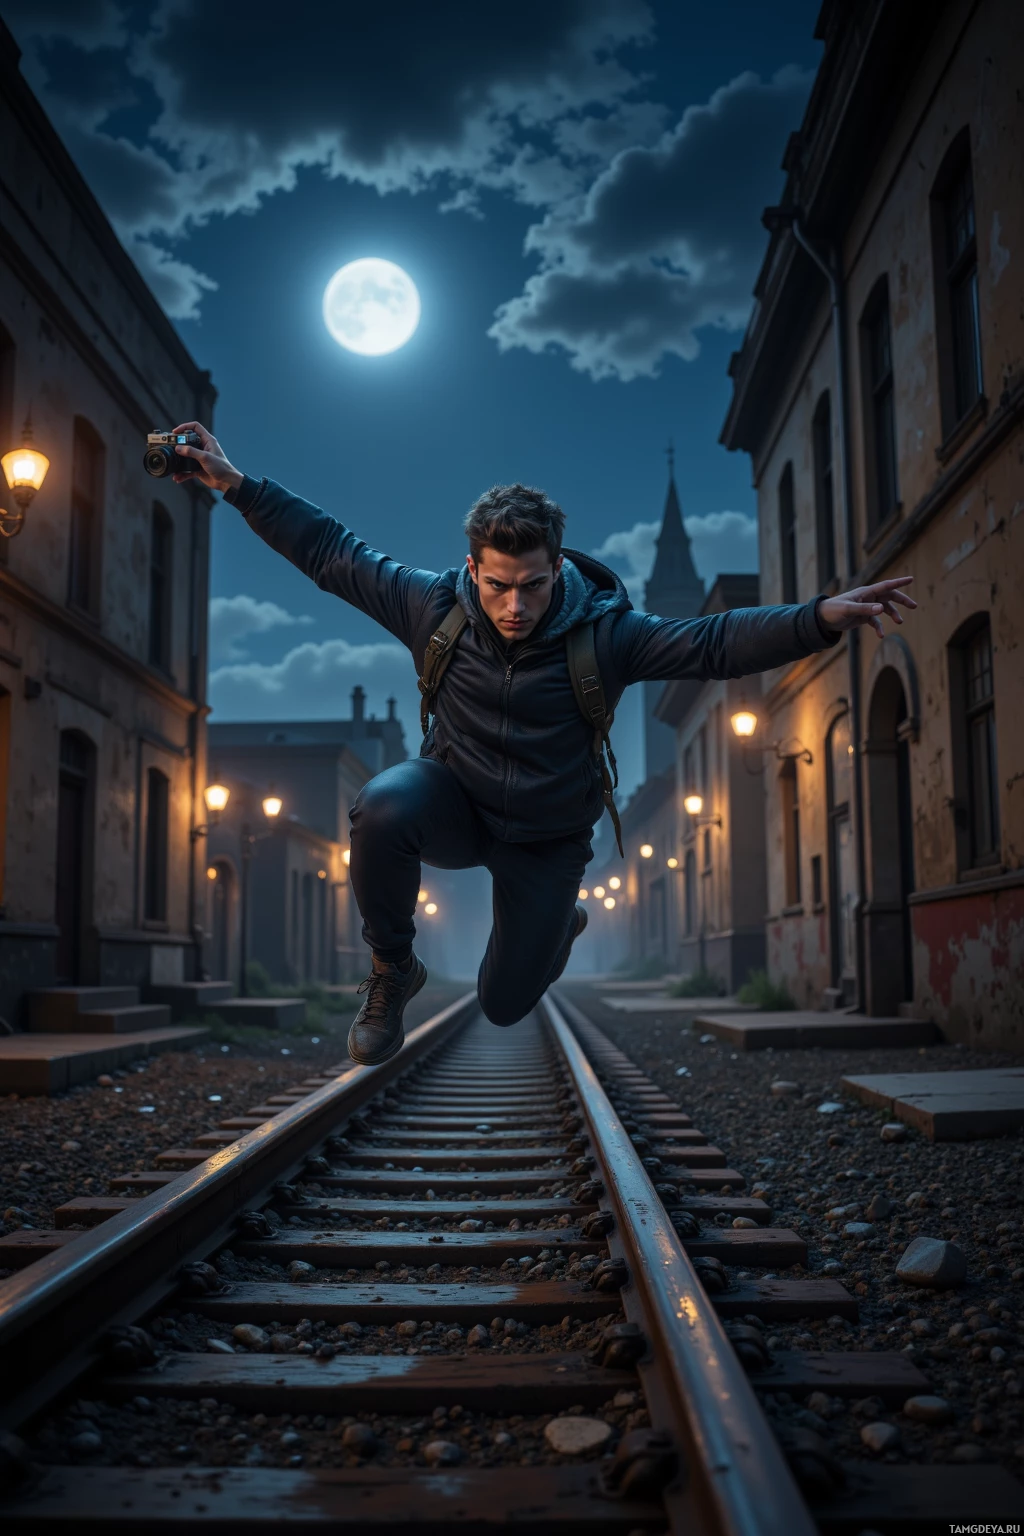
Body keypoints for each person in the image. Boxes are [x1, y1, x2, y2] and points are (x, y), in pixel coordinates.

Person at [172, 422, 916, 1065]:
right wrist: (234, 482)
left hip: (547, 837)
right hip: (455, 803)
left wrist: (820, 616)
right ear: (473, 568)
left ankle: (557, 924)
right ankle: (393, 971)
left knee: (502, 1005)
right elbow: (330, 551)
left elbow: (712, 642)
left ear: (557, 567)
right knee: (380, 806)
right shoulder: (432, 605)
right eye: (498, 585)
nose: (515, 605)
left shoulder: (608, 635)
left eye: (531, 584)